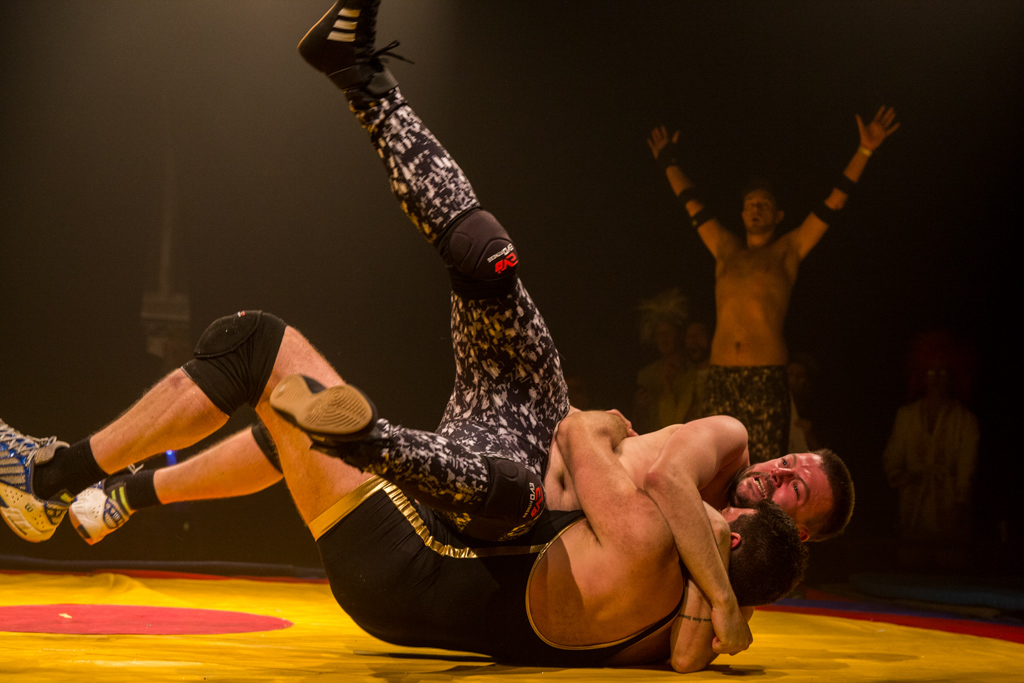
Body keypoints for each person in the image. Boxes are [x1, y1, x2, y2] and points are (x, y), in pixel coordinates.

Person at [0, 0, 812, 658]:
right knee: (486, 268)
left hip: (421, 549)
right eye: (793, 470)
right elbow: (689, 639)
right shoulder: (690, 608)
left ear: (737, 541)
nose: (773, 474)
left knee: (268, 358)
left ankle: (52, 477)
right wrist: (719, 609)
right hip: (477, 501)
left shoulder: (661, 537)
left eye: (793, 492)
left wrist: (605, 433)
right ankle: (360, 75)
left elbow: (576, 430)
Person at [648, 106, 900, 463]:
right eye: (750, 204)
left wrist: (865, 150)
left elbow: (834, 202)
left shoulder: (789, 250)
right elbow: (692, 205)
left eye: (764, 204)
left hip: (766, 376)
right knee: (715, 465)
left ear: (778, 215)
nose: (756, 209)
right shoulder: (725, 247)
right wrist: (668, 161)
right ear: (742, 213)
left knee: (763, 468)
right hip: (722, 375)